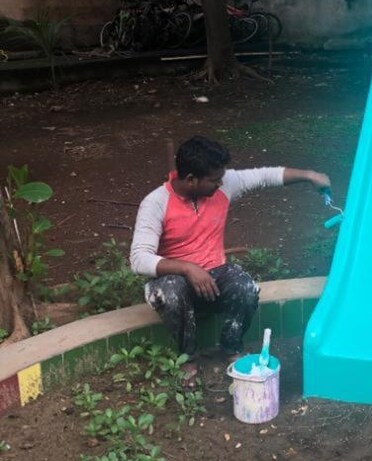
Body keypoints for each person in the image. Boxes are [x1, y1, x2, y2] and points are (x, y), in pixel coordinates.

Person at [130, 135, 330, 385]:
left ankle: (230, 347)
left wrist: (309, 175)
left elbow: (265, 175)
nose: (222, 183)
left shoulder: (222, 185)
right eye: (215, 180)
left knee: (246, 287)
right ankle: (187, 357)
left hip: (215, 273)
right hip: (172, 280)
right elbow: (139, 259)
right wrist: (187, 268)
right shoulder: (156, 203)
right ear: (191, 179)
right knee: (172, 290)